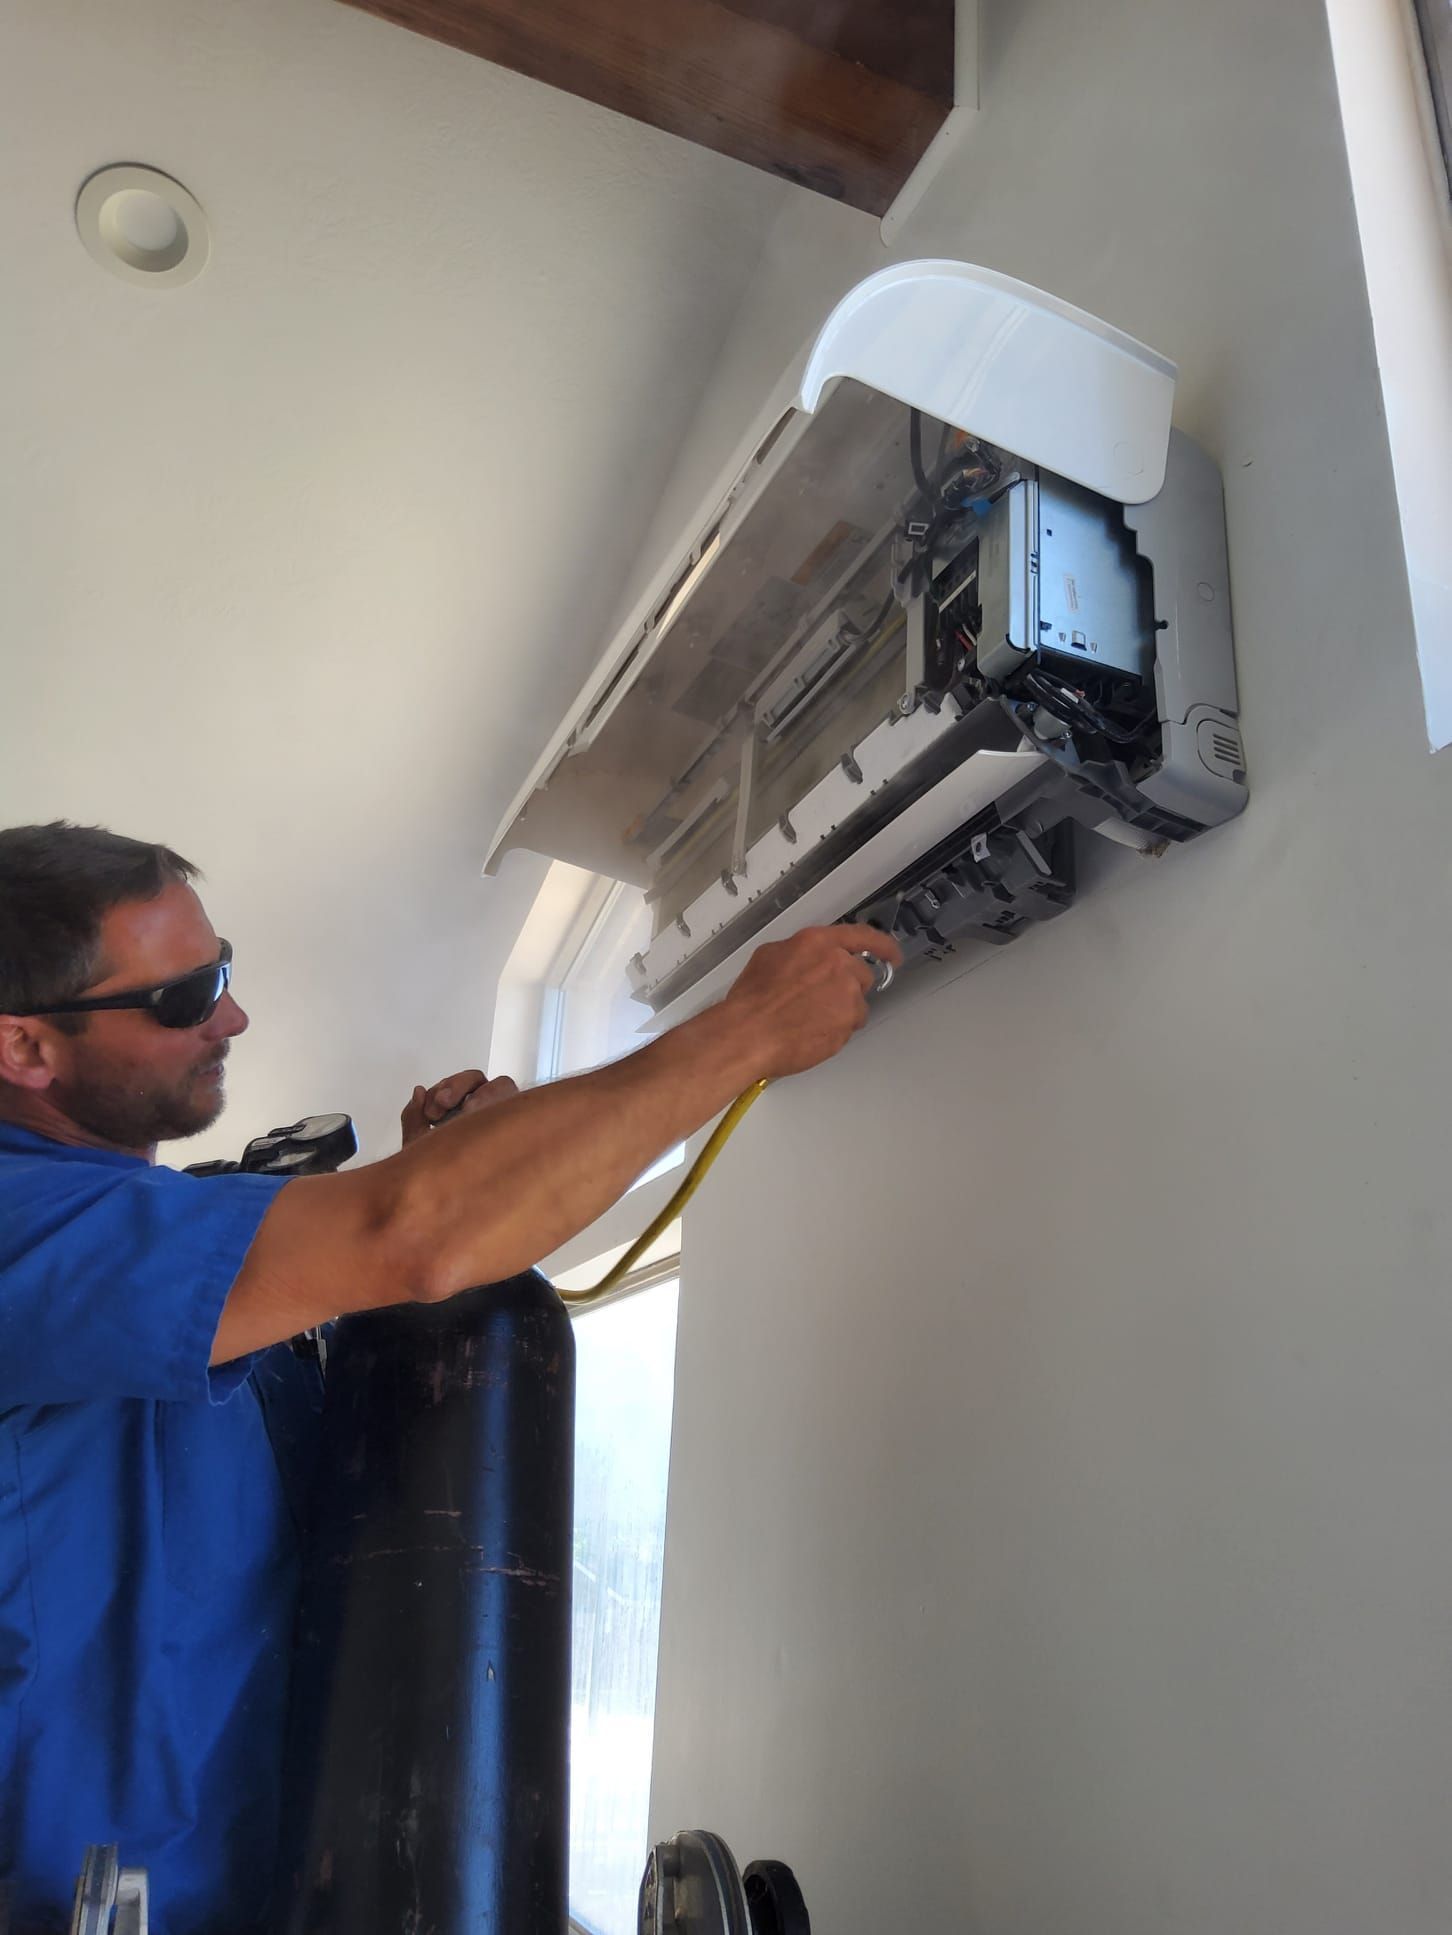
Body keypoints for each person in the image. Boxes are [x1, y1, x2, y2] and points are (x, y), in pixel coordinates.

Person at [0, 820, 898, 1934]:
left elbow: (384, 1252)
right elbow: (409, 1237)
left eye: (220, 971)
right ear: (26, 1049)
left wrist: (445, 1176)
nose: (231, 1016)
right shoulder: (22, 1231)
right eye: (183, 1000)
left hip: (276, 1878)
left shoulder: (138, 1235)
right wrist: (748, 1029)